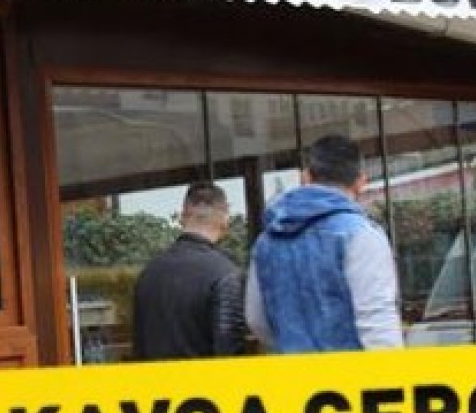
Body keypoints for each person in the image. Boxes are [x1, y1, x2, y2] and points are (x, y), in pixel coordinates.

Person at [245, 134, 403, 353]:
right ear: (361, 182)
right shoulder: (361, 235)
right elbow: (377, 321)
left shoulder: (266, 240)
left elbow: (256, 320)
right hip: (348, 371)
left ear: (306, 177)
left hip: (291, 370)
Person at [132, 182, 246, 360]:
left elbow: (139, 346)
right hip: (203, 377)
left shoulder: (149, 273)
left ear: (183, 217)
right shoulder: (225, 274)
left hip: (152, 378)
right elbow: (229, 351)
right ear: (224, 221)